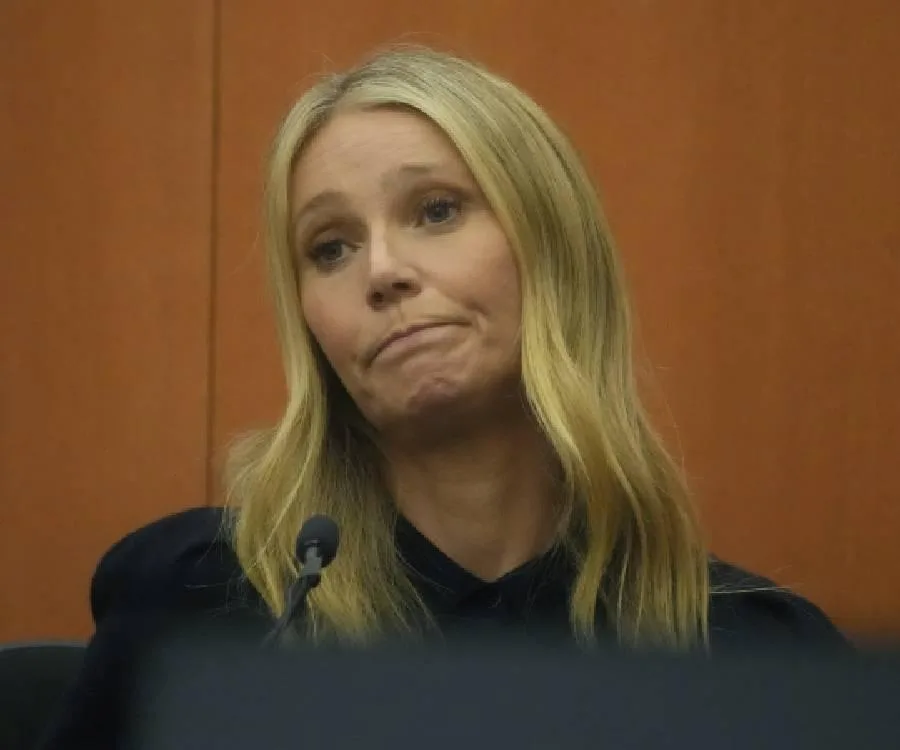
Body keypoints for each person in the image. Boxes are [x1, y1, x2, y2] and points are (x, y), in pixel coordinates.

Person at [39, 45, 846, 749]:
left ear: (552, 247)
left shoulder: (754, 656)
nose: (382, 271)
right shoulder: (210, 608)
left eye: (436, 210)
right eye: (331, 247)